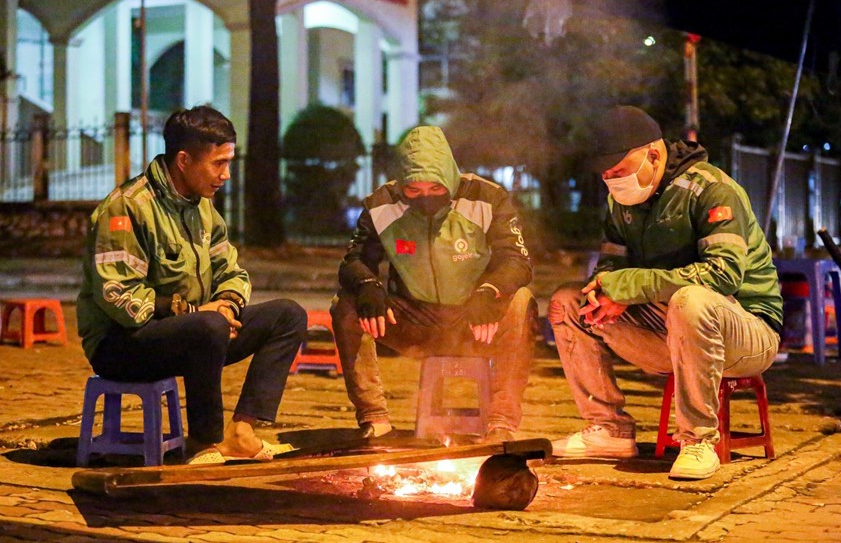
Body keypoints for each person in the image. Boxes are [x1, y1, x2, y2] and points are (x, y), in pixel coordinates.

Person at [548, 106, 782, 480]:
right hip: (670, 332)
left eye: (619, 171)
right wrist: (603, 292)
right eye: (606, 174)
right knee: (567, 303)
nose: (612, 180)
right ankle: (608, 429)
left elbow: (721, 276)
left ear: (653, 155)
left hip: (747, 334)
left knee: (691, 300)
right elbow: (611, 266)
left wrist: (628, 286)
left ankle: (698, 440)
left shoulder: (713, 190)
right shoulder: (620, 202)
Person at [77, 106, 308, 465]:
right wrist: (195, 312)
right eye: (218, 163)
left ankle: (241, 433)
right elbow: (117, 297)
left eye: (228, 162)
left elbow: (230, 270)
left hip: (198, 336)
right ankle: (203, 442)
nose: (226, 174)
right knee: (208, 325)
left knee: (288, 316)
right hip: (122, 344)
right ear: (184, 160)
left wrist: (228, 305)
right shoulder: (127, 209)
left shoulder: (201, 208)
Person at [331, 126, 536, 443]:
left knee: (521, 301)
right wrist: (368, 284)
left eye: (435, 187)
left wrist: (489, 292)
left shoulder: (487, 198)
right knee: (345, 304)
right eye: (414, 190)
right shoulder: (381, 205)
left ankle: (501, 422)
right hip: (413, 321)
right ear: (402, 184)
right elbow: (354, 261)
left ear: (449, 178)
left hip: (474, 321)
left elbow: (517, 261)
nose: (425, 196)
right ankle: (375, 419)